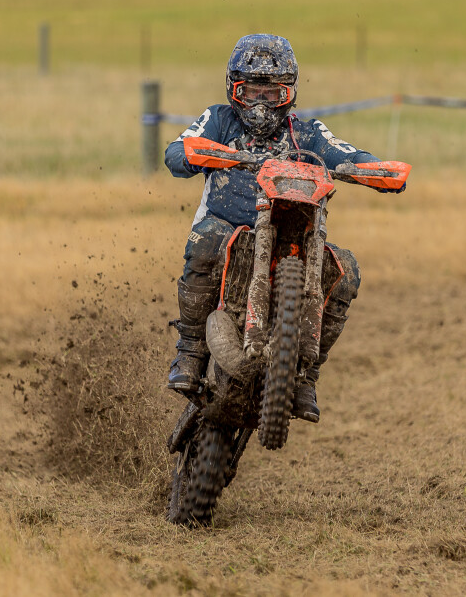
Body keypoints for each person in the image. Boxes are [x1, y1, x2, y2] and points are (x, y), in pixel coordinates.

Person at [163, 34, 404, 423]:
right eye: (251, 91)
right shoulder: (219, 120)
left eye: (272, 93)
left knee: (344, 270)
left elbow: (345, 153)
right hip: (227, 227)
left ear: (289, 93)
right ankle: (189, 351)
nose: (260, 103)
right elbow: (178, 149)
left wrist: (377, 169)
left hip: (291, 238)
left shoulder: (305, 134)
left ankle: (306, 374)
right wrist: (195, 154)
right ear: (233, 89)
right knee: (205, 240)